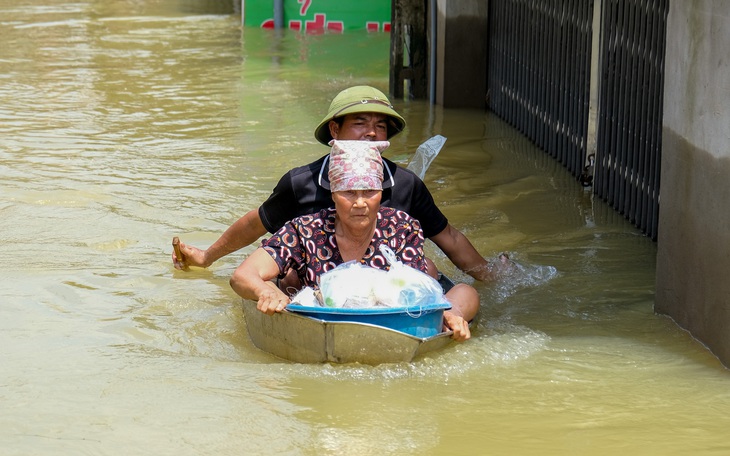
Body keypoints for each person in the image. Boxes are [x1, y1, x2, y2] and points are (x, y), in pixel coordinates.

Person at [173, 85, 502, 282]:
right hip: (316, 283)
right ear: (335, 130)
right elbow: (255, 223)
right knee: (285, 275)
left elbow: (449, 237)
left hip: (385, 287)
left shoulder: (404, 185)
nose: (371, 133)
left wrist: (490, 276)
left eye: (380, 126)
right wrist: (207, 257)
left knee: (427, 268)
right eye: (360, 123)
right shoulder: (301, 181)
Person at [229, 140, 479, 341]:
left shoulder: (403, 228)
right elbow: (242, 275)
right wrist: (265, 292)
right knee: (282, 283)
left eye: (369, 193)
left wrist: (448, 314)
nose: (360, 203)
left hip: (390, 324)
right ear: (334, 195)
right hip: (323, 324)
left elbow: (413, 294)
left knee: (462, 292)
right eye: (349, 193)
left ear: (381, 195)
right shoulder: (306, 229)